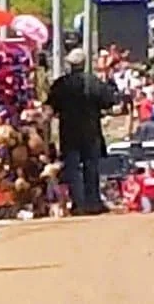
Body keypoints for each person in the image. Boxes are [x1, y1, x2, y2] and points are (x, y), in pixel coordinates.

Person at [44, 49, 117, 216]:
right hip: (91, 132)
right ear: (84, 64)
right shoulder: (93, 83)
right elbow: (109, 101)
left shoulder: (61, 84)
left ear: (70, 64)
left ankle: (78, 203)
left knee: (72, 168)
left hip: (69, 133)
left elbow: (51, 106)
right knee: (91, 167)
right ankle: (93, 202)